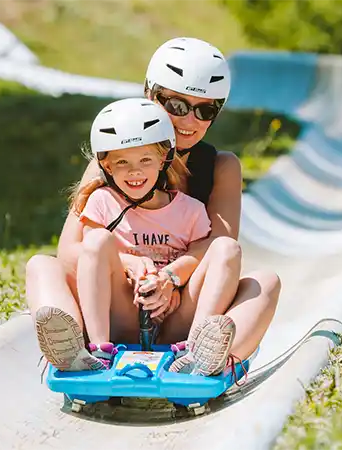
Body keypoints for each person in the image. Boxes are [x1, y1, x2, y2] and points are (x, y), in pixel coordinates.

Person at [26, 37, 281, 376]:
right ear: (150, 95)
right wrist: (130, 264)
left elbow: (219, 245)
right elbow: (70, 251)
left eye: (205, 110)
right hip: (118, 303)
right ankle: (72, 350)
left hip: (182, 312)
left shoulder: (220, 166)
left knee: (266, 283)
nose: (188, 120)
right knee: (41, 266)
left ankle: (207, 356)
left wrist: (171, 279)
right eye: (176, 105)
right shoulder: (111, 159)